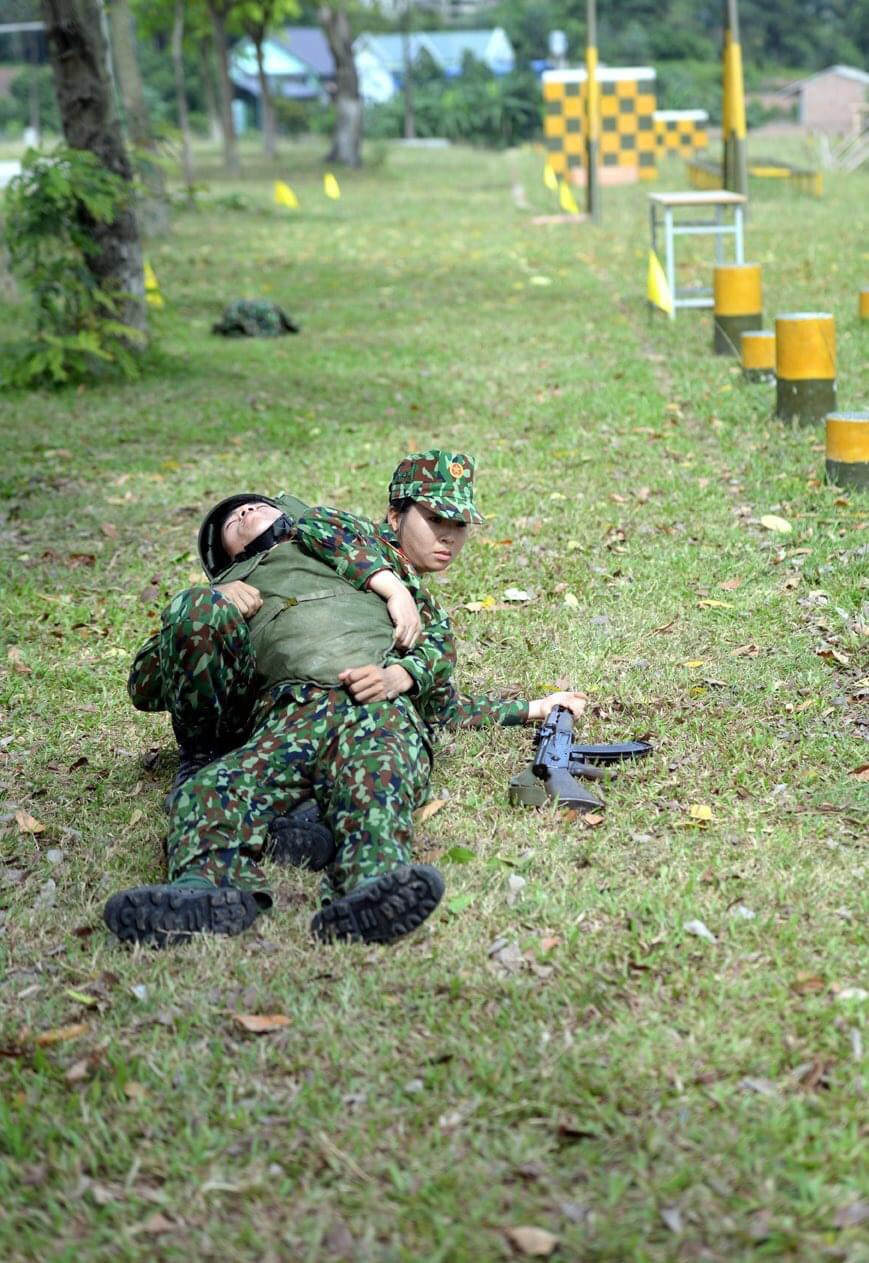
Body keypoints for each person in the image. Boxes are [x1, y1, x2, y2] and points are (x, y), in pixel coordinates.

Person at [105, 451, 585, 949]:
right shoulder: (235, 585)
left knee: (378, 778)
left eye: (258, 507)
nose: (246, 512)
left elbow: (439, 695)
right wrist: (208, 604)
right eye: (233, 518)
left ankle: (368, 890)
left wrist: (523, 707)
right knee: (209, 790)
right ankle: (204, 892)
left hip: (369, 713)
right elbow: (147, 683)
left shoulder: (362, 557)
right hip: (283, 716)